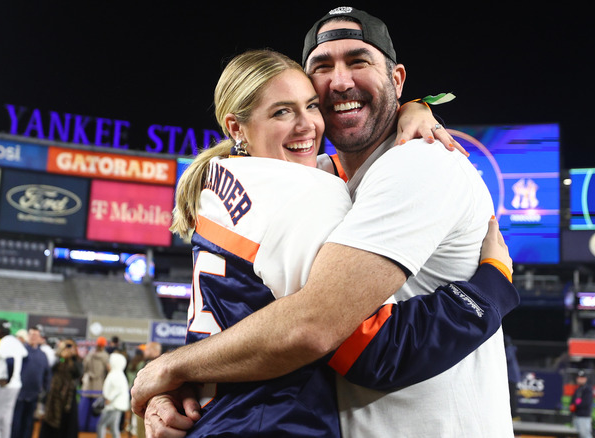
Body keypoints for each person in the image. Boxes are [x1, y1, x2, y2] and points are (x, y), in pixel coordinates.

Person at [133, 41, 517, 438]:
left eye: (311, 106)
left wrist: (409, 106)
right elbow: (368, 348)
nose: (307, 125)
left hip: (221, 418)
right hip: (270, 424)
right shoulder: (302, 194)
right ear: (236, 128)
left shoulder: (221, 179)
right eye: (282, 111)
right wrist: (491, 289)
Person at [0, 319, 28, 438]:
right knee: (5, 420)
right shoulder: (15, 341)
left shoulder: (6, 341)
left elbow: (10, 360)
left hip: (2, 386)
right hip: (14, 386)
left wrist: (6, 379)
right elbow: (25, 357)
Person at [11, 326, 51, 438]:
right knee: (16, 423)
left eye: (36, 335)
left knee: (29, 424)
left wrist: (46, 391)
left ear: (39, 338)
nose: (33, 337)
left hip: (34, 395)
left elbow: (47, 374)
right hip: (18, 394)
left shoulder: (43, 355)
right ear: (27, 336)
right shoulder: (21, 351)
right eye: (31, 335)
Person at [39, 339, 82, 438]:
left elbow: (78, 373)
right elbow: (53, 368)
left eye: (71, 346)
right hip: (55, 395)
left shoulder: (77, 361)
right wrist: (62, 357)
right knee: (52, 420)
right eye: (67, 346)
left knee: (68, 422)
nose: (69, 349)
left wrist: (71, 357)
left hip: (69, 397)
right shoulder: (59, 359)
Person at [96, 351, 130, 438]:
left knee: (101, 425)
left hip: (113, 406)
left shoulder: (116, 374)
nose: (107, 364)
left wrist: (109, 399)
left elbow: (117, 389)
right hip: (115, 406)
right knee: (113, 428)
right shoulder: (118, 374)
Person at [81, 336, 110, 431]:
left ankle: (82, 426)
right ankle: (93, 428)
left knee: (84, 408)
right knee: (96, 408)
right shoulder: (106, 357)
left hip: (87, 385)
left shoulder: (89, 355)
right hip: (99, 386)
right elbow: (107, 372)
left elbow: (84, 368)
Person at [569, 370, 594, 438]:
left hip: (584, 417)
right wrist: (572, 406)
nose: (580, 379)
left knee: (585, 435)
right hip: (576, 416)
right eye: (579, 378)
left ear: (585, 379)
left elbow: (586, 403)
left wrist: (575, 406)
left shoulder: (588, 389)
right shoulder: (578, 389)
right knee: (578, 435)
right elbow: (572, 402)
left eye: (582, 378)